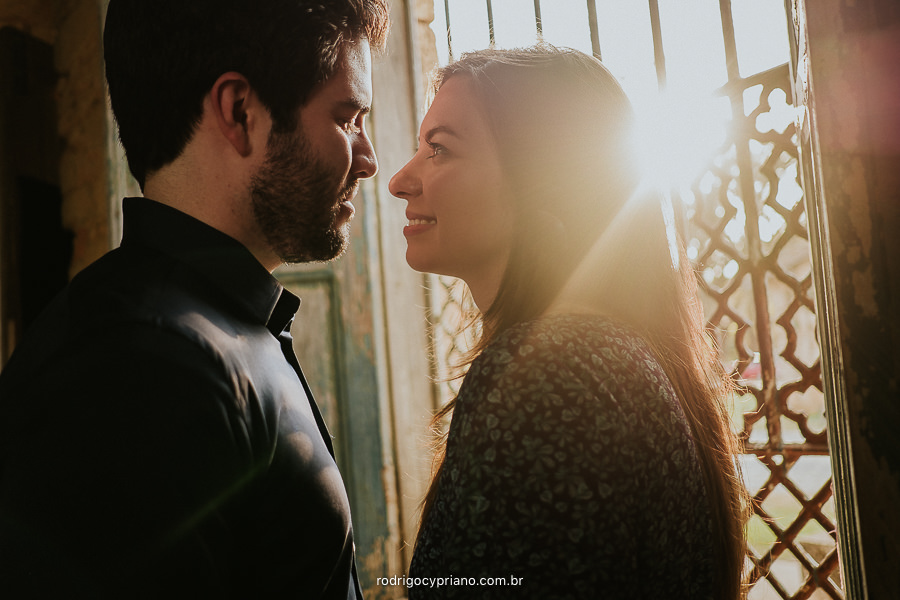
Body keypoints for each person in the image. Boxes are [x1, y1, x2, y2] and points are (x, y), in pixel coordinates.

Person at [0, 1, 389, 597]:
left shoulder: (202, 331)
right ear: (240, 111)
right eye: (348, 117)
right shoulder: (140, 365)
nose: (368, 157)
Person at [389, 46, 748, 599]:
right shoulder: (607, 351)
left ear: (544, 181)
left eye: (439, 149)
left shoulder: (550, 371)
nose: (400, 180)